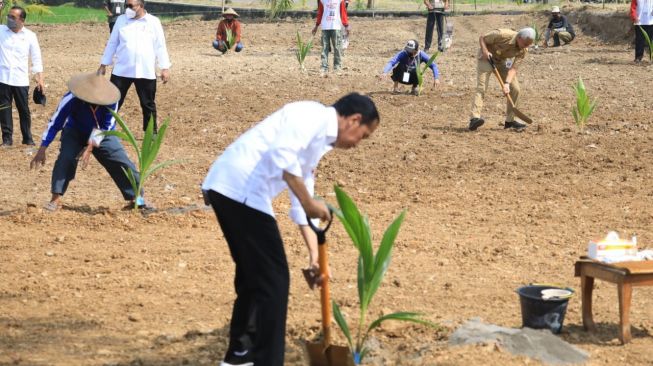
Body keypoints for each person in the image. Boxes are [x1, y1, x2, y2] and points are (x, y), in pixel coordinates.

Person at [201, 93, 380, 366]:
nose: (358, 144)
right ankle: (267, 360)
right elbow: (282, 158)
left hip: (229, 188)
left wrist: (314, 255)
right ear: (354, 120)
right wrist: (310, 203)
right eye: (363, 136)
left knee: (254, 277)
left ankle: (239, 356)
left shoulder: (318, 140)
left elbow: (301, 196)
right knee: (274, 280)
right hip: (241, 190)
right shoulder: (312, 116)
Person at [29, 73, 146, 211]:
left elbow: (106, 126)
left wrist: (90, 147)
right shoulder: (71, 98)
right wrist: (43, 147)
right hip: (75, 131)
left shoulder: (111, 101)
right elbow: (56, 122)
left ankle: (138, 199)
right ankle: (55, 199)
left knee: (120, 161)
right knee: (65, 158)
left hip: (103, 134)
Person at [98, 0, 171, 133]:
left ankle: (151, 133)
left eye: (131, 6)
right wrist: (103, 64)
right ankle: (102, 130)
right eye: (126, 5)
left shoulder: (153, 22)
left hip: (145, 70)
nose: (128, 9)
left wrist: (164, 67)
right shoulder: (120, 20)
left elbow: (160, 46)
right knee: (112, 102)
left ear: (141, 6)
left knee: (148, 104)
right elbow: (112, 43)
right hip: (122, 70)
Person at [469, 27, 534, 132]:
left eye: (529, 44)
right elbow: (482, 38)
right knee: (482, 87)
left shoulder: (523, 50)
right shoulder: (502, 35)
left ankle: (510, 121)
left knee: (515, 89)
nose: (527, 47)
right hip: (486, 59)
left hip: (501, 62)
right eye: (526, 44)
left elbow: (513, 69)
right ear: (519, 38)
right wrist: (485, 51)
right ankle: (474, 118)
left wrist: (507, 83)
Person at [0, 6, 44, 147]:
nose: (9, 19)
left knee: (23, 110)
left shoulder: (30, 36)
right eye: (8, 16)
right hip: (3, 78)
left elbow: (36, 58)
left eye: (13, 17)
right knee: (4, 109)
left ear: (22, 20)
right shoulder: (1, 31)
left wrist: (40, 78)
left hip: (20, 79)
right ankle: (7, 139)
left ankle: (27, 137)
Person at [312, 0, 350, 76]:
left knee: (337, 48)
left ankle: (337, 67)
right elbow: (320, 13)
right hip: (325, 27)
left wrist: (346, 25)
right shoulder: (322, 1)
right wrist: (316, 25)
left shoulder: (340, 1)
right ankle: (324, 67)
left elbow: (343, 13)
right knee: (324, 48)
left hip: (336, 27)